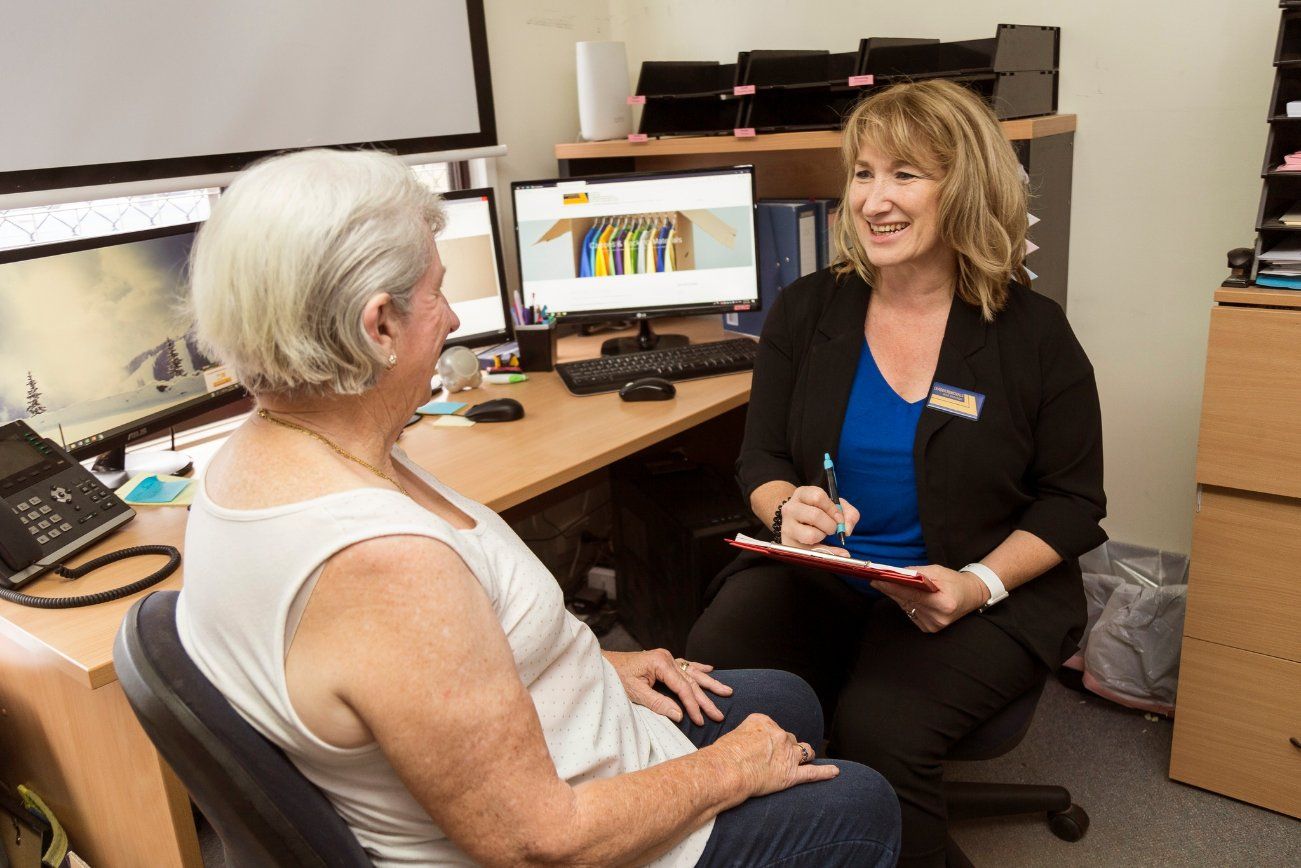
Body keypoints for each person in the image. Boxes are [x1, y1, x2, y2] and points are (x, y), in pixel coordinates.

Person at [176, 148, 900, 867]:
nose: (455, 316)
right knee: (857, 801)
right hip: (569, 835)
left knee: (786, 700)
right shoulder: (382, 565)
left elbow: (406, 676)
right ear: (377, 326)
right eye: (436, 292)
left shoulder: (254, 458)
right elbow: (539, 842)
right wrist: (731, 771)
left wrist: (580, 662)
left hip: (543, 754)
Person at [686, 80, 1106, 866]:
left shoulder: (1031, 334)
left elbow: (1073, 501)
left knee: (882, 729)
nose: (873, 200)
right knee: (717, 682)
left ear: (964, 188)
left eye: (905, 175)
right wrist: (786, 511)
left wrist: (975, 582)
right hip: (828, 574)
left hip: (971, 591)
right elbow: (762, 459)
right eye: (861, 173)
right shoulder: (807, 310)